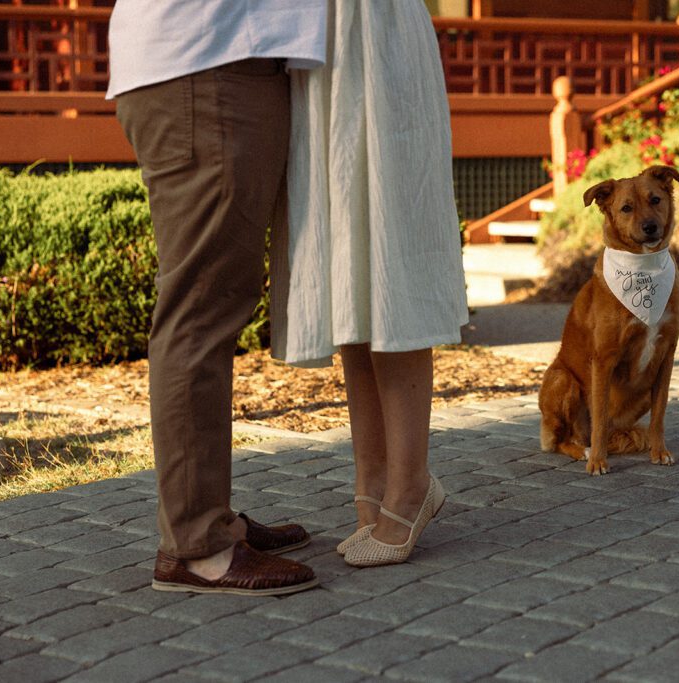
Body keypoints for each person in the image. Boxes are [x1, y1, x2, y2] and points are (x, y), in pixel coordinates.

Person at [106, 1, 329, 595]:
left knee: (211, 303)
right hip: (208, 68)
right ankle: (197, 546)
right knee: (200, 309)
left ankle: (208, 520)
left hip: (213, 62)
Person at [269, 0, 468, 566]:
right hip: (312, 50)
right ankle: (374, 477)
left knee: (387, 258)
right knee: (346, 274)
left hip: (379, 41)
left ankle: (410, 483)